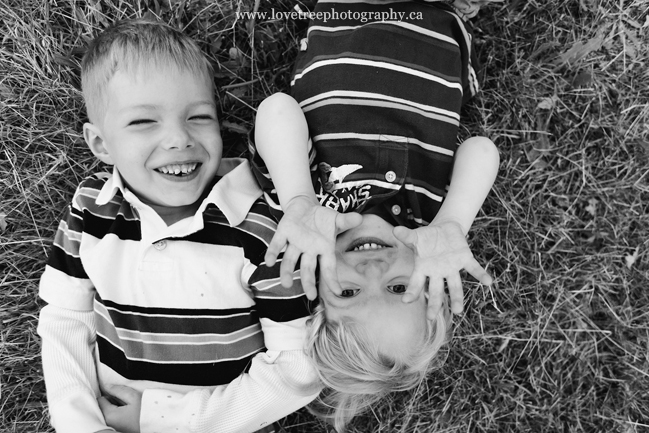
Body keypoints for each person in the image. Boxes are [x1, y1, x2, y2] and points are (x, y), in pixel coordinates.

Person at [36, 19, 323, 433]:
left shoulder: (264, 232)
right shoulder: (91, 209)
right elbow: (64, 319)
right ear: (100, 144)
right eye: (143, 122)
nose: (179, 138)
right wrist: (81, 424)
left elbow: (297, 368)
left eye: (199, 117)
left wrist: (167, 419)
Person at [248, 1, 501, 431]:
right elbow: (481, 149)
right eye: (397, 286)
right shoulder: (428, 221)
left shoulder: (312, 212)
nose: (372, 269)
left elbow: (276, 109)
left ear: (315, 294)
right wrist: (454, 221)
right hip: (433, 21)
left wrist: (297, 198)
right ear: (427, 282)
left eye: (348, 294)